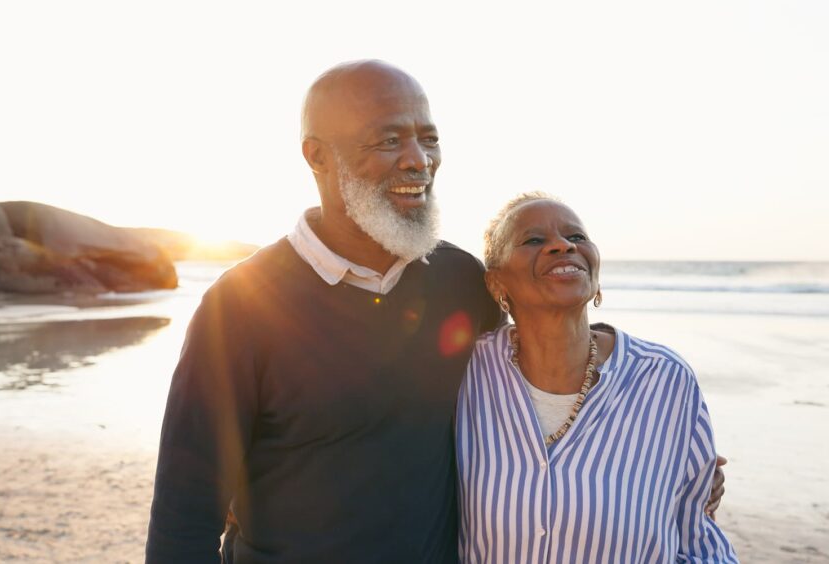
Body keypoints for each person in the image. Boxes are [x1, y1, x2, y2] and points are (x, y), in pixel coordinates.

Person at [145, 60, 496, 563]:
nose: (419, 160)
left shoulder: (463, 283)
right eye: (389, 141)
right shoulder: (241, 306)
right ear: (317, 157)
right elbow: (185, 514)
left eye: (429, 138)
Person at [455, 192, 738, 562]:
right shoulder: (464, 373)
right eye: (534, 240)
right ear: (496, 285)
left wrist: (703, 483)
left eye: (576, 237)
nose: (561, 246)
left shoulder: (665, 380)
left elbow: (695, 535)